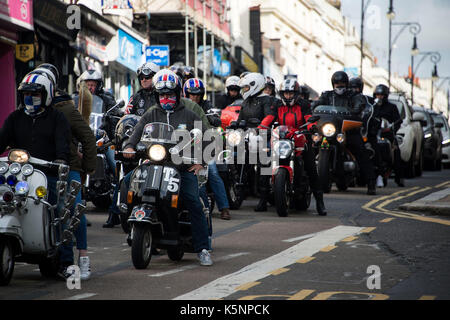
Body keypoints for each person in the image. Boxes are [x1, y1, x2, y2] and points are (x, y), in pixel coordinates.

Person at [122, 69, 213, 266]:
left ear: (177, 93)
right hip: (154, 165)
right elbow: (136, 134)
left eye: (170, 94)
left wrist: (201, 162)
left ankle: (203, 248)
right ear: (157, 95)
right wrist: (129, 147)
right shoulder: (151, 113)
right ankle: (130, 224)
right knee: (128, 183)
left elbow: (208, 139)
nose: (166, 98)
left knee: (193, 202)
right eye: (162, 94)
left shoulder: (189, 115)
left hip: (182, 168)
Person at [0, 73, 72, 277]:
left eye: (35, 93)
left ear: (47, 95)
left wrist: (60, 160)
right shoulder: (15, 117)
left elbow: (63, 147)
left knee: (59, 210)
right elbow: (2, 139)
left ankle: (66, 261)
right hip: (16, 175)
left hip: (45, 175)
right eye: (26, 94)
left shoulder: (58, 118)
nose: (30, 98)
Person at [31, 64, 97, 280]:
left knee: (73, 210)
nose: (34, 95)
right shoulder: (30, 109)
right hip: (39, 168)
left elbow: (87, 136)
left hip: (67, 168)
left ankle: (82, 258)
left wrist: (87, 168)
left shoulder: (66, 109)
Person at [312, 71, 377, 195]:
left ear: (346, 84)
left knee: (360, 150)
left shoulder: (353, 96)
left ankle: (371, 182)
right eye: (337, 83)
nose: (339, 86)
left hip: (348, 130)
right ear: (333, 84)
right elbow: (317, 105)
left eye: (342, 83)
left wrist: (357, 109)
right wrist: (313, 107)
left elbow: (359, 105)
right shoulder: (327, 95)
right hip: (330, 129)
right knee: (310, 146)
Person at [78, 69, 122, 227]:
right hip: (83, 141)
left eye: (93, 85)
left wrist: (116, 115)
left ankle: (115, 213)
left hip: (104, 140)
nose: (90, 88)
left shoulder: (107, 99)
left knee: (117, 167)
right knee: (75, 173)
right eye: (88, 84)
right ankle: (78, 213)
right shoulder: (77, 100)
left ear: (99, 85)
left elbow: (116, 115)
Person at [183, 78, 231, 220]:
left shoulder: (206, 105)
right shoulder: (181, 106)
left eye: (198, 94)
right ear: (186, 94)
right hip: (184, 144)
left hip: (204, 144)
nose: (195, 97)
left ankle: (224, 207)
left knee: (213, 173)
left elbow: (216, 119)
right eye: (192, 94)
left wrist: (212, 118)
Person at [277, 79, 327, 215]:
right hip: (282, 140)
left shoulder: (303, 104)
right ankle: (263, 198)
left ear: (296, 94)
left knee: (311, 167)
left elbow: (308, 117)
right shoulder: (276, 104)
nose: (288, 96)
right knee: (264, 160)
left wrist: (312, 127)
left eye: (291, 93)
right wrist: (261, 127)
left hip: (301, 137)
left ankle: (320, 202)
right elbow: (269, 118)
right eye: (285, 93)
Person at [236, 72, 279, 211]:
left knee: (263, 165)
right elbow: (240, 120)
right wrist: (233, 127)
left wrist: (259, 128)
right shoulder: (246, 101)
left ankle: (263, 199)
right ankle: (239, 191)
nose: (244, 90)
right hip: (247, 137)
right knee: (236, 158)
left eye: (247, 87)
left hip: (263, 136)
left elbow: (270, 116)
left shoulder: (267, 100)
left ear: (256, 85)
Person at [370, 84, 405, 187]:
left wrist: (392, 128)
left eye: (381, 95)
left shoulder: (392, 107)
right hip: (373, 133)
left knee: (396, 152)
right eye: (377, 95)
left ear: (386, 96)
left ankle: (399, 177)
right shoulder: (372, 106)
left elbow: (398, 121)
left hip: (387, 134)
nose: (379, 97)